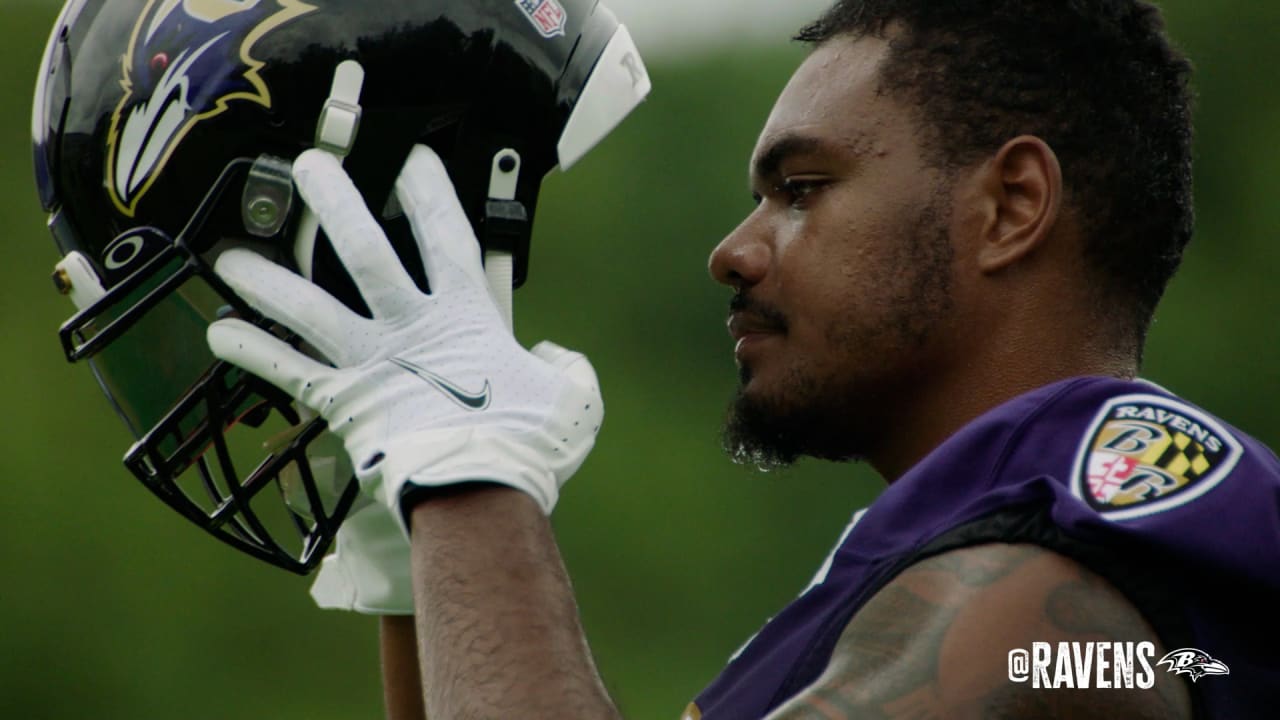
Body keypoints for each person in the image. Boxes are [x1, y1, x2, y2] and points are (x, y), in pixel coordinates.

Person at [38, 2, 1280, 720]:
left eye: (801, 189)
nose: (731, 252)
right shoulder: (969, 572)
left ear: (1009, 206)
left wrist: (462, 466)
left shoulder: (1048, 627)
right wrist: (419, 547)